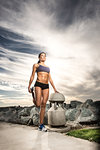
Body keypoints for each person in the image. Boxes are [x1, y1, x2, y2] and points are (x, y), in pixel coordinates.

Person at [28, 52, 59, 132]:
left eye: (44, 56)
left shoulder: (48, 68)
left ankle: (41, 125)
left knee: (44, 104)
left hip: (46, 86)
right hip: (38, 84)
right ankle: (33, 94)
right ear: (39, 57)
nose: (43, 57)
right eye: (42, 56)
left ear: (45, 58)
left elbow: (50, 79)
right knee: (38, 104)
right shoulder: (36, 65)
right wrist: (29, 85)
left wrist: (55, 89)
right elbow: (32, 76)